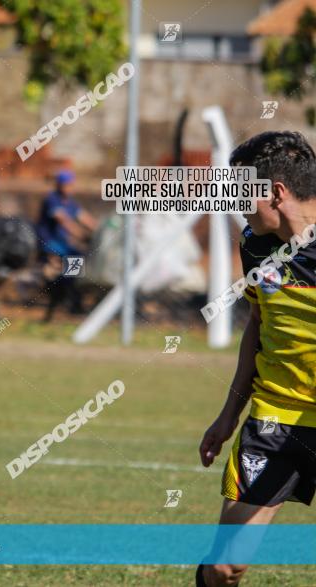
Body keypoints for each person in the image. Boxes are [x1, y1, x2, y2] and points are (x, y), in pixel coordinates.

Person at [197, 131, 316, 586]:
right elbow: (257, 325)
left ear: (276, 193)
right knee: (226, 568)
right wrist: (229, 415)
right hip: (274, 417)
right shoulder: (255, 244)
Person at [35, 170, 97, 321]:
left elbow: (85, 218)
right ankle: (62, 295)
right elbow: (64, 221)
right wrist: (81, 235)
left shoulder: (70, 202)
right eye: (66, 185)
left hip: (63, 244)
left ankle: (68, 294)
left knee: (76, 261)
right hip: (49, 243)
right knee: (61, 269)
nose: (68, 188)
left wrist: (100, 230)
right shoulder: (52, 200)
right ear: (59, 185)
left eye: (70, 185)